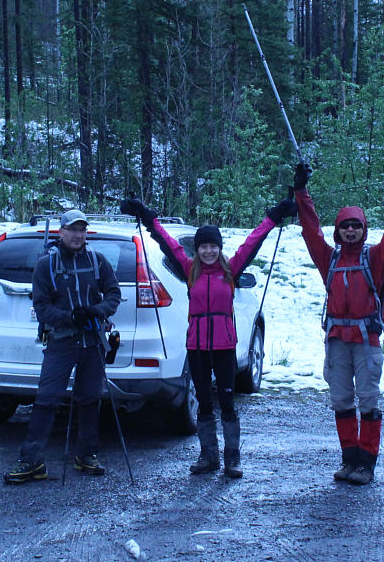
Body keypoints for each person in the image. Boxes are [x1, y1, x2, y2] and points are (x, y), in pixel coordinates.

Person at [120, 195, 297, 478]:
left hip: (225, 347)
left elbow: (253, 241)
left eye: (213, 246)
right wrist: (147, 216)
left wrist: (274, 217)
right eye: (204, 246)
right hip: (198, 348)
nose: (209, 251)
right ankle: (208, 456)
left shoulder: (231, 270)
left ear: (219, 248)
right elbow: (167, 242)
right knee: (203, 402)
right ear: (198, 249)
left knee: (226, 402)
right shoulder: (190, 270)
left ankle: (232, 459)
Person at [293, 161, 384, 485]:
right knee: (342, 399)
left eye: (356, 226)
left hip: (365, 339)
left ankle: (367, 463)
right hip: (336, 339)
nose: (350, 230)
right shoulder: (328, 259)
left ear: (363, 230)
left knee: (369, 399)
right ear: (338, 230)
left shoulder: (375, 259)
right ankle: (349, 460)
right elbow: (310, 230)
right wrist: (300, 190)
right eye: (345, 226)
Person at [4, 209, 122, 484]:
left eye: (82, 230)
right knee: (47, 399)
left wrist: (97, 310)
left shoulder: (97, 260)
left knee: (90, 397)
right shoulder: (47, 265)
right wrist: (70, 317)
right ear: (61, 232)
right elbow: (42, 308)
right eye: (73, 230)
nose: (78, 235)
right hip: (61, 341)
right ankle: (31, 462)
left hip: (93, 341)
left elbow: (114, 292)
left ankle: (87, 455)